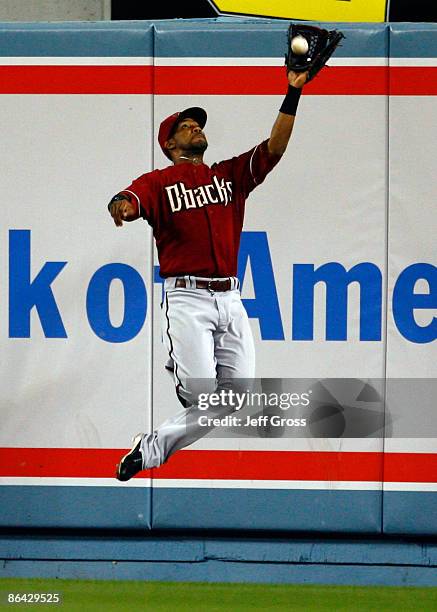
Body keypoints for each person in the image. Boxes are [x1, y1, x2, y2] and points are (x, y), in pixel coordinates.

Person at [109, 69, 308, 481]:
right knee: (200, 396)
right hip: (188, 298)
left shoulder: (229, 176)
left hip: (230, 299)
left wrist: (293, 91)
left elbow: (275, 147)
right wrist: (121, 207)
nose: (195, 128)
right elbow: (129, 198)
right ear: (170, 144)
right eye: (185, 126)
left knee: (234, 400)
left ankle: (151, 449)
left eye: (197, 124)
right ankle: (181, 364)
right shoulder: (159, 182)